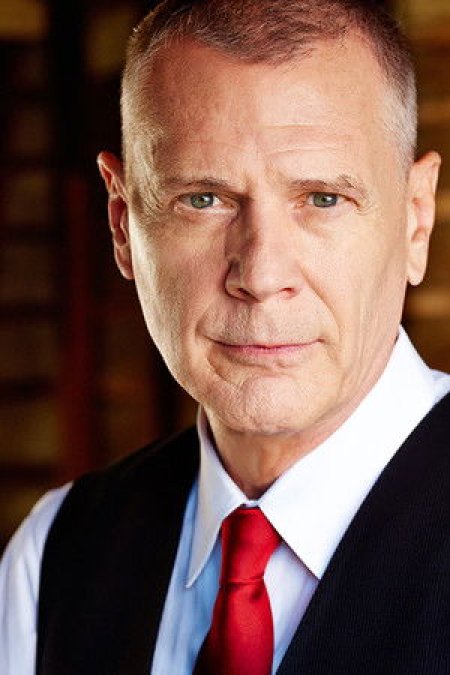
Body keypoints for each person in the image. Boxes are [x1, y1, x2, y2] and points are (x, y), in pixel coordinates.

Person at [1, 0, 450, 673]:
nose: (261, 276)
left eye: (322, 198)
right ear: (122, 223)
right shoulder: (53, 560)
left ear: (416, 218)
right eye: (203, 199)